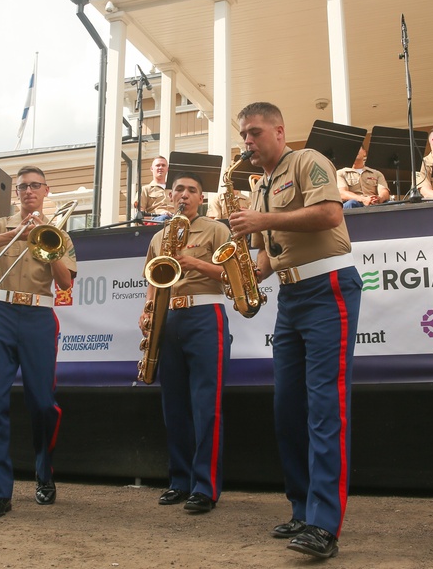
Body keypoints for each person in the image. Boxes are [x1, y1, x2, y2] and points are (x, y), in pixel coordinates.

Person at [228, 102, 362, 559]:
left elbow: (329, 214)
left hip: (329, 285)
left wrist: (261, 220)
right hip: (291, 295)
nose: (248, 141)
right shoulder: (260, 186)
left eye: (255, 132)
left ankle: (325, 525)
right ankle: (302, 509)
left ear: (280, 131)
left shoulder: (308, 161)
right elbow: (271, 255)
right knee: (288, 406)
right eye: (244, 134)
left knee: (326, 404)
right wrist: (246, 283)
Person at [0, 166, 77, 519]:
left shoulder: (59, 233)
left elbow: (66, 283)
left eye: (35, 186)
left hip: (39, 316)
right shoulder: (0, 225)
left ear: (45, 190)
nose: (29, 191)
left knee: (42, 402)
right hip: (0, 313)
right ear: (17, 193)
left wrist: (46, 239)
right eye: (23, 186)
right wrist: (14, 234)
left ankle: (44, 472)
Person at [139, 173, 230, 513]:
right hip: (169, 318)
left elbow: (232, 274)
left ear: (201, 197)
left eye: (192, 190)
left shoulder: (216, 229)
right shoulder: (159, 236)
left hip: (206, 315)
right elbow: (152, 279)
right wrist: (147, 311)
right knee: (174, 406)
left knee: (206, 405)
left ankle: (205, 488)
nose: (185, 195)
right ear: (170, 194)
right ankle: (180, 481)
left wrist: (193, 263)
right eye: (179, 189)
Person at [138, 156, 175, 220]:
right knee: (164, 218)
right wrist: (159, 215)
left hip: (175, 220)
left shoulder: (174, 189)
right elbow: (140, 214)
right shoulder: (145, 189)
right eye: (158, 165)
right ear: (152, 169)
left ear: (167, 169)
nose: (160, 167)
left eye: (163, 165)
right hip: (156, 221)